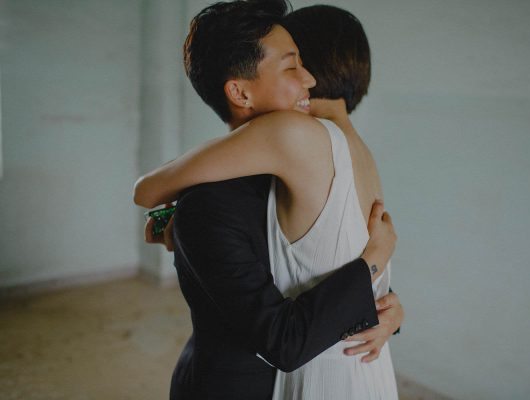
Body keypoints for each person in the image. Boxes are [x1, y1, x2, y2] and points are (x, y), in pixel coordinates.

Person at [134, 1, 402, 399]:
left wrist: (388, 308)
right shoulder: (207, 205)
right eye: (292, 66)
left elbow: (327, 259)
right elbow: (283, 338)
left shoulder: (303, 174)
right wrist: (373, 263)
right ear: (240, 91)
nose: (310, 80)